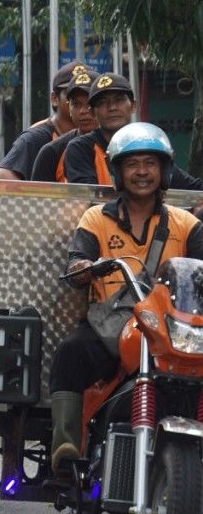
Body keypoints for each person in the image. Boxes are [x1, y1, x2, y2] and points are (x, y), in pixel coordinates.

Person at [49, 123, 203, 478]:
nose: (142, 172)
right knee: (70, 353)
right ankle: (66, 446)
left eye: (150, 163)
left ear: (164, 171)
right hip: (111, 326)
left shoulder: (186, 224)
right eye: (132, 164)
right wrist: (84, 267)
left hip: (172, 329)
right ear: (117, 171)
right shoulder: (95, 218)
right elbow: (76, 260)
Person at [63, 72, 203, 189]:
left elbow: (192, 188)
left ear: (134, 106)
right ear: (92, 112)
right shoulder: (80, 148)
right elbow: (87, 197)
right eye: (102, 102)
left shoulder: (148, 142)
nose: (112, 107)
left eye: (119, 100)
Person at [0, 60, 86, 180]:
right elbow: (3, 177)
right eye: (73, 97)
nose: (83, 107)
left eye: (88, 97)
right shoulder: (36, 138)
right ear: (54, 98)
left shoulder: (103, 135)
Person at [30, 68, 98, 182]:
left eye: (89, 103)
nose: (83, 110)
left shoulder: (120, 146)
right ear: (69, 107)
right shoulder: (51, 153)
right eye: (76, 104)